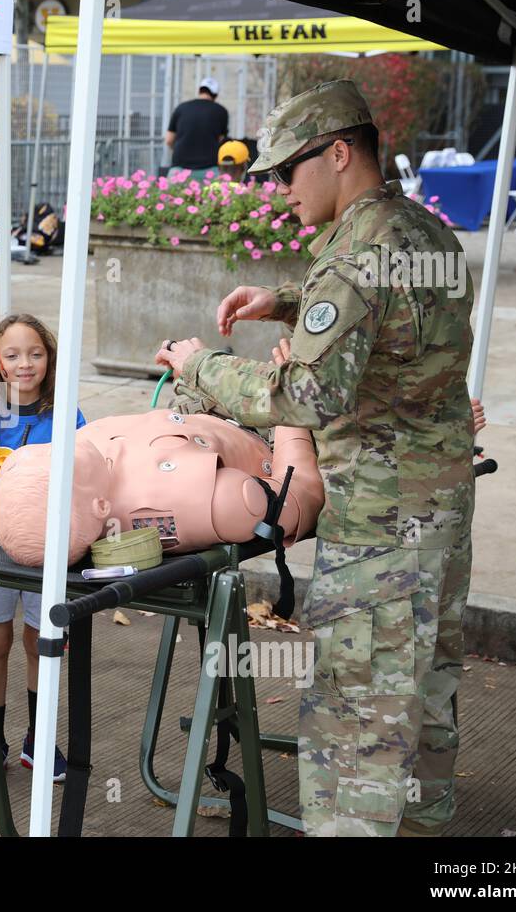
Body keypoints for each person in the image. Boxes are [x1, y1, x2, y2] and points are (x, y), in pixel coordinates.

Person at [155, 79, 476, 837]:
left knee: (355, 707)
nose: (279, 191)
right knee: (425, 678)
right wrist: (290, 301)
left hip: (378, 523)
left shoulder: (354, 257)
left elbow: (304, 395)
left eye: (286, 172)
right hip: (441, 504)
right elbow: (391, 315)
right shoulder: (426, 234)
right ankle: (427, 818)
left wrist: (199, 366)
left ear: (338, 153)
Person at [0, 314, 84, 785]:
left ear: (49, 358)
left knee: (41, 643)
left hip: (47, 552)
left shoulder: (67, 413)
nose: (25, 363)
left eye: (35, 353)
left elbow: (85, 469)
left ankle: (38, 739)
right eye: (13, 355)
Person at [165, 76, 229, 175]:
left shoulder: (181, 108)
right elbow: (220, 139)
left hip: (180, 167)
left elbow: (169, 140)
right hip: (209, 169)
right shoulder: (221, 111)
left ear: (199, 90)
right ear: (215, 95)